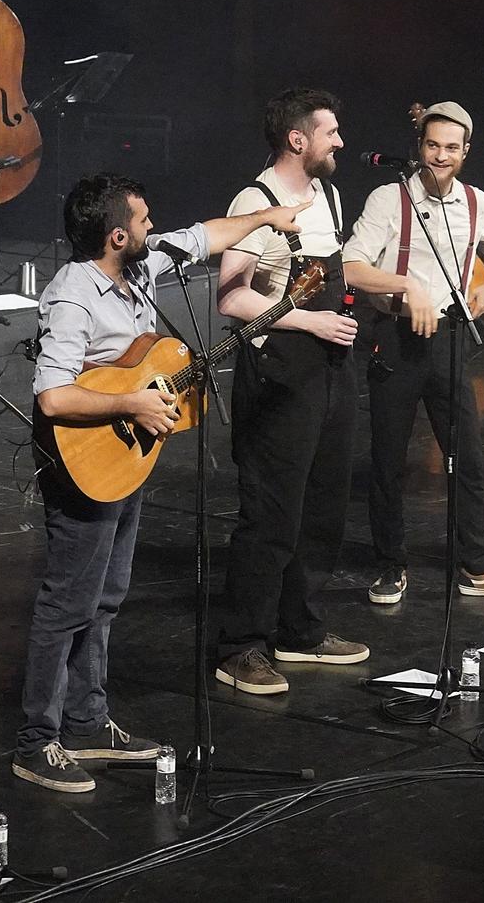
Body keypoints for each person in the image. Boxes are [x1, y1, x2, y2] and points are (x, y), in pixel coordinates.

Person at [16, 173, 309, 792]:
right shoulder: (75, 294)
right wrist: (131, 405)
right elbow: (52, 396)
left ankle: (88, 721)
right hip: (82, 461)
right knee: (67, 603)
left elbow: (204, 236)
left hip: (126, 460)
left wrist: (266, 219)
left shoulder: (141, 269)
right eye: (145, 222)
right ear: (117, 234)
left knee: (106, 597)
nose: (156, 229)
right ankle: (36, 741)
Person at [340, 100, 484, 604]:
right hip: (396, 337)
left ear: (466, 151)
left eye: (452, 148)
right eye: (433, 145)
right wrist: (406, 285)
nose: (441, 156)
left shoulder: (477, 201)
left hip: (450, 340)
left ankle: (476, 567)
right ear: (419, 146)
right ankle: (390, 564)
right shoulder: (390, 199)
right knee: (388, 459)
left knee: (466, 456)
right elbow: (351, 266)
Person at [213, 89, 369, 696]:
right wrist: (310, 322)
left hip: (331, 368)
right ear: (297, 139)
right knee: (272, 515)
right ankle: (240, 647)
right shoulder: (255, 201)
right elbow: (231, 298)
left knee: (323, 506)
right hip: (280, 370)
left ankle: (298, 629)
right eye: (330, 131)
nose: (340, 141)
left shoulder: (327, 194)